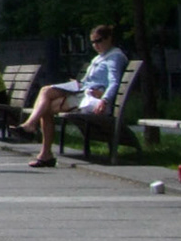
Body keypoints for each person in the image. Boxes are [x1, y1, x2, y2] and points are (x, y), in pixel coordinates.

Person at [19, 25, 127, 168]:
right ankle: (36, 136)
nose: (96, 45)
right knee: (45, 92)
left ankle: (39, 141)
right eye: (93, 42)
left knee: (45, 105)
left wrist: (105, 99)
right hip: (82, 92)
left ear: (109, 38)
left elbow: (114, 82)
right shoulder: (100, 57)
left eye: (99, 41)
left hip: (91, 99)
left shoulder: (115, 57)